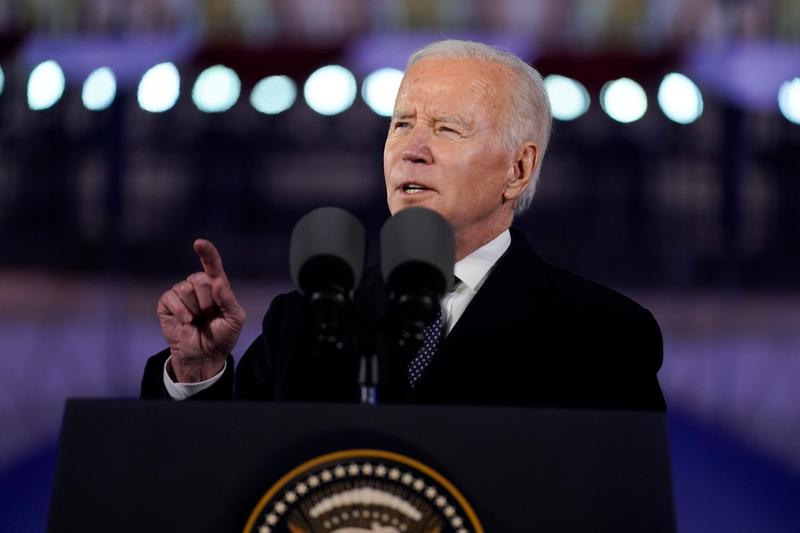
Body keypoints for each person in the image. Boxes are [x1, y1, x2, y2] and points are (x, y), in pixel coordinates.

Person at [141, 40, 665, 411]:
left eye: (446, 129)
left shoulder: (602, 336)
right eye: (402, 125)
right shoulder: (301, 324)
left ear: (518, 169)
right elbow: (210, 484)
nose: (412, 151)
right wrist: (196, 373)